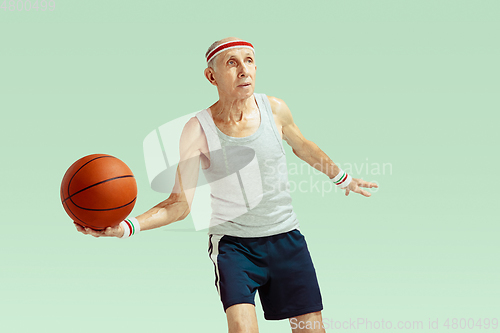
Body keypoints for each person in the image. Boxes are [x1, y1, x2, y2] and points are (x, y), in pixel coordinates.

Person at [75, 37, 378, 333]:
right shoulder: (197, 130)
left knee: (311, 330)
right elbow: (179, 203)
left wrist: (342, 178)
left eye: (249, 61)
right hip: (235, 248)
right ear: (211, 76)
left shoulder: (275, 109)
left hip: (287, 240)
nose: (244, 70)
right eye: (232, 63)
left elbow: (302, 146)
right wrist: (126, 227)